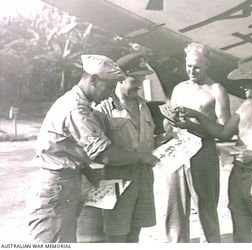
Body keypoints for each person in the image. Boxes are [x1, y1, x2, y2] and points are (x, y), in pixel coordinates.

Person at [27, 54, 159, 243]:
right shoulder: (77, 110)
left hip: (65, 183)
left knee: (64, 242)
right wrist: (141, 157)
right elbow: (106, 155)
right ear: (94, 80)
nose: (110, 93)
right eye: (109, 87)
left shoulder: (80, 104)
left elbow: (73, 150)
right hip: (57, 185)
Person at [176, 55, 252, 243]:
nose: (242, 86)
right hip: (238, 177)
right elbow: (224, 132)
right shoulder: (246, 106)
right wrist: (196, 117)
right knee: (241, 239)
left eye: (245, 81)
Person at [88, 51, 157, 243]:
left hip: (143, 179)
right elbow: (97, 153)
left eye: (142, 80)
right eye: (135, 80)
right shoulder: (102, 110)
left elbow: (145, 142)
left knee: (135, 232)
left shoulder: (145, 107)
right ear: (120, 78)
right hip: (116, 183)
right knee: (116, 235)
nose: (140, 85)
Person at [164, 42, 231, 243]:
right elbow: (169, 124)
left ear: (208, 64)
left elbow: (224, 131)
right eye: (188, 66)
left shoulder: (216, 89)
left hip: (203, 149)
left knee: (205, 206)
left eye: (197, 66)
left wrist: (194, 122)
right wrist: (170, 122)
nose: (192, 71)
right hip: (178, 149)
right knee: (174, 206)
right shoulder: (179, 88)